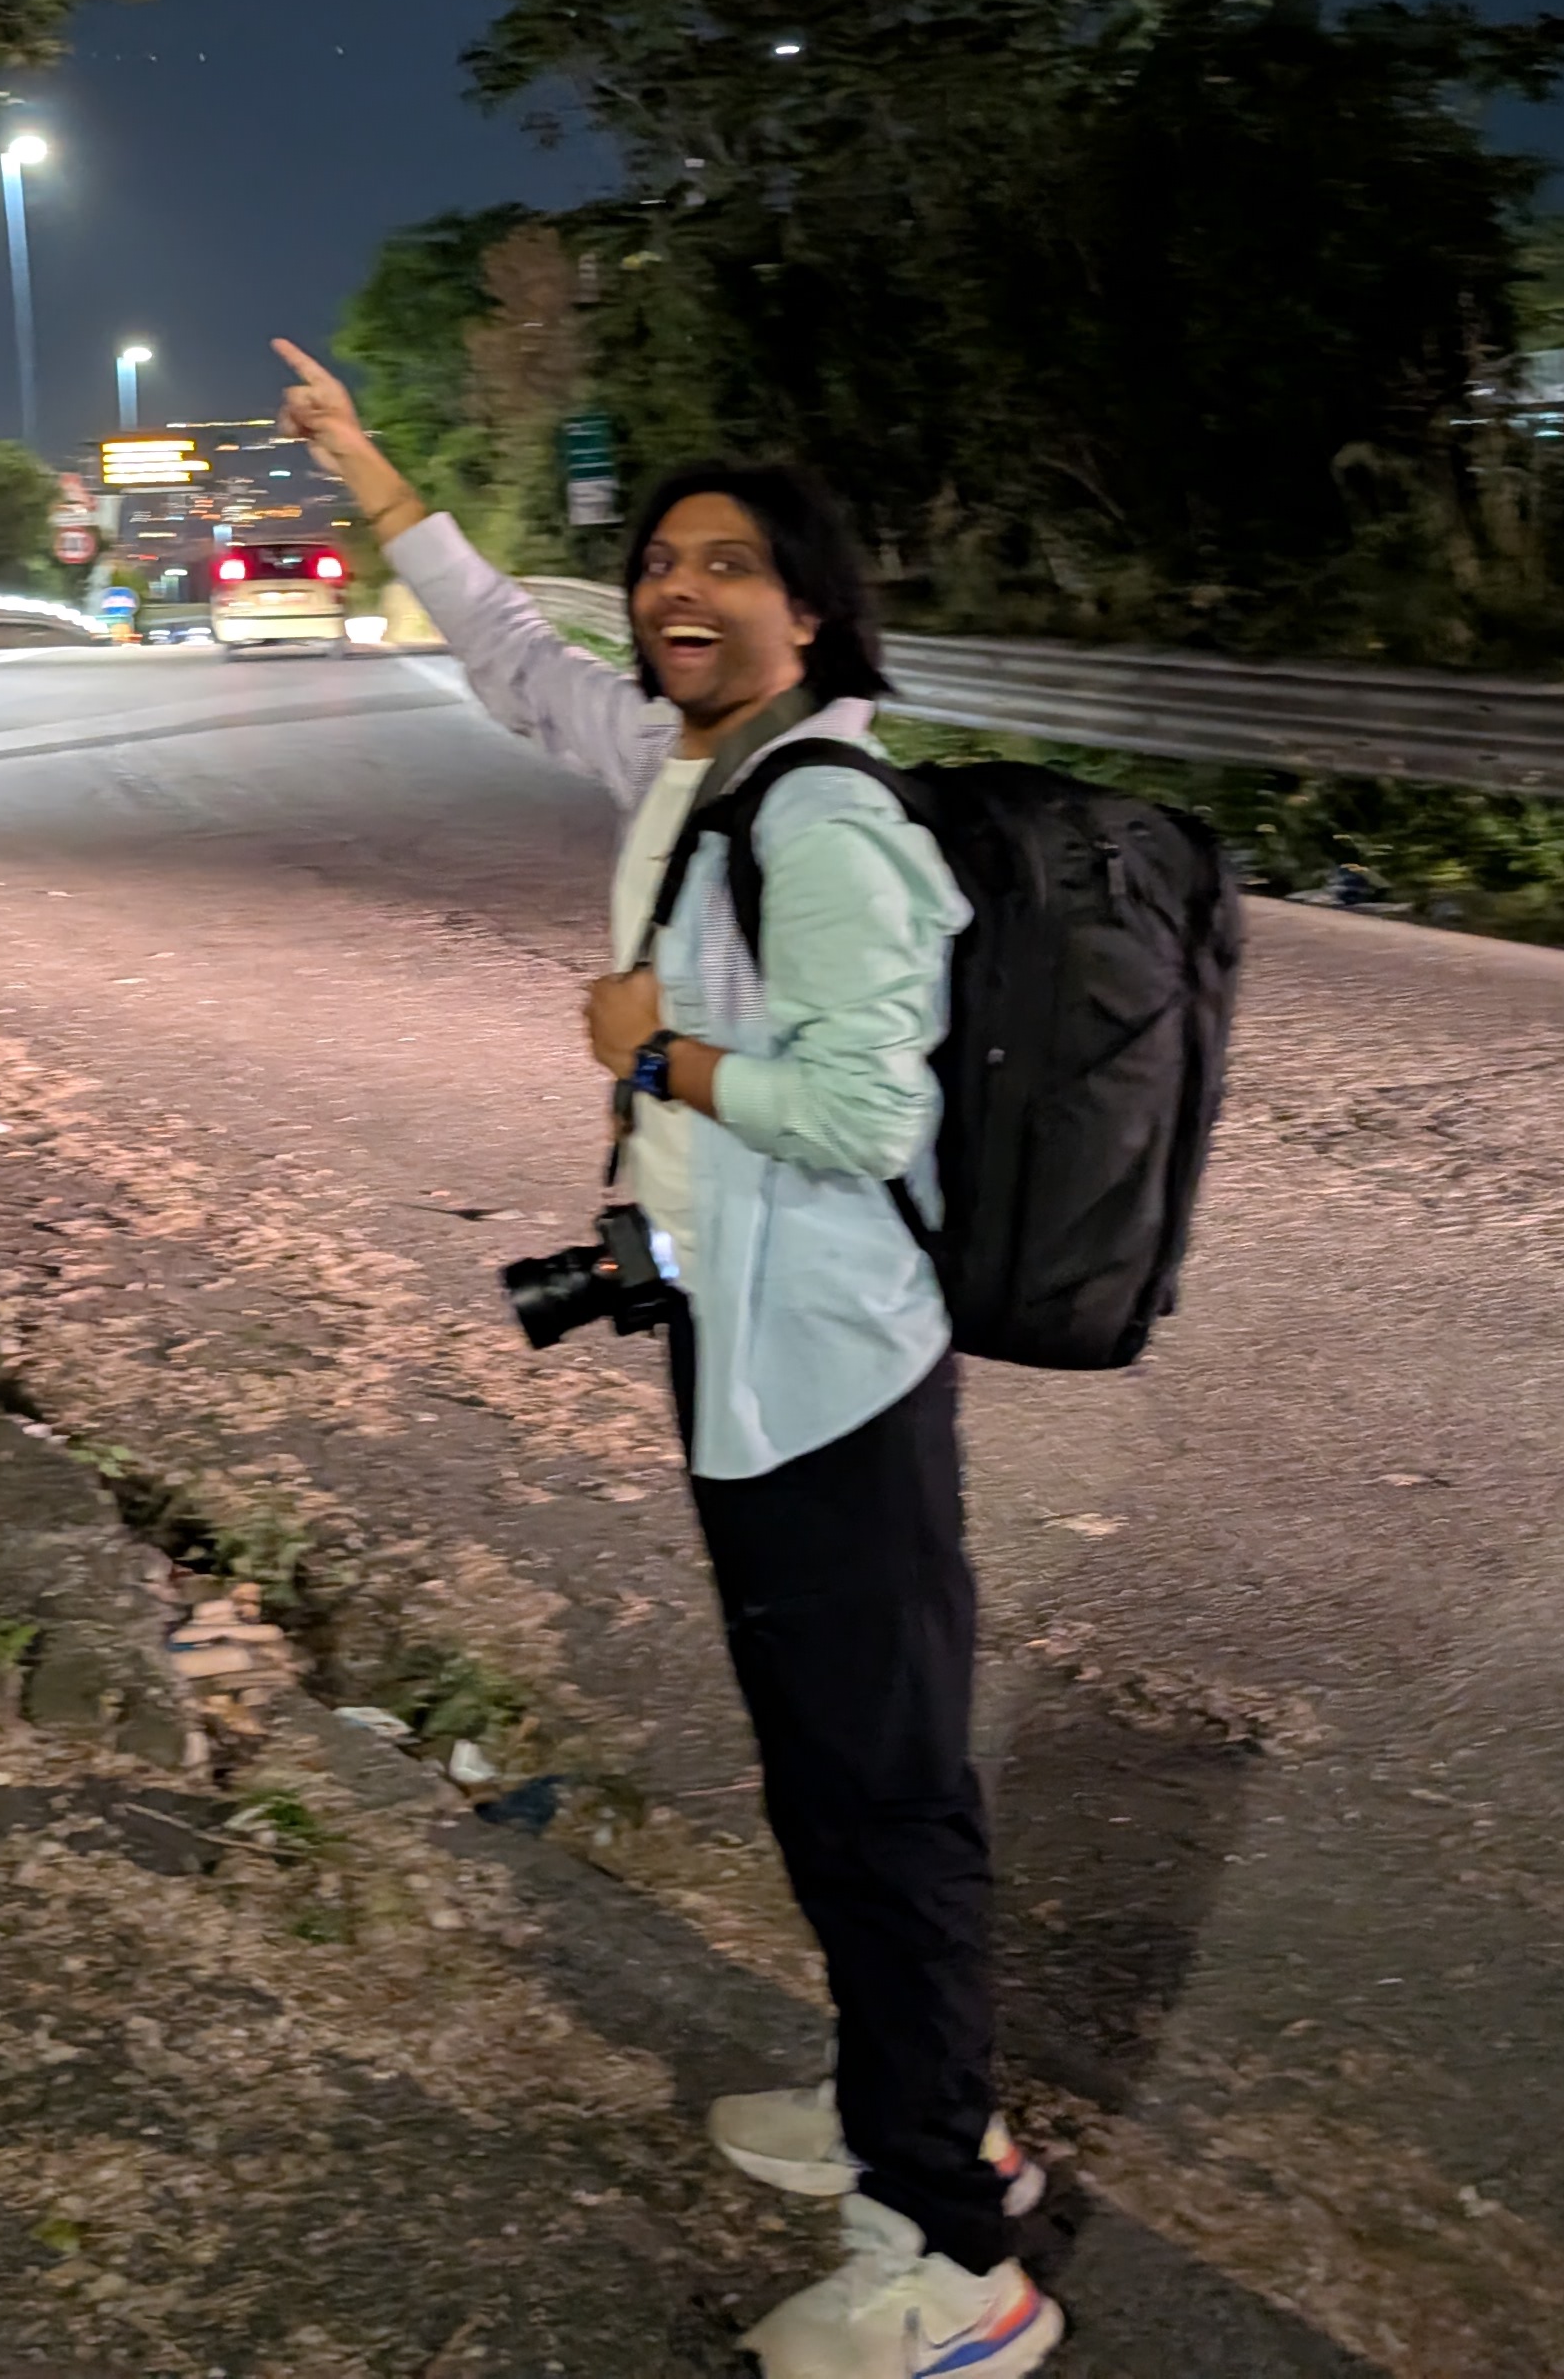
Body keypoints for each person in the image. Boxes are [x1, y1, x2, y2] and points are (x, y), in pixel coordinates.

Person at [272, 337, 1062, 2379]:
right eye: (656, 564)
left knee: (882, 1797)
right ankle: (907, 2098)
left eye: (727, 564)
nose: (675, 592)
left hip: (835, 1378)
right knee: (824, 1774)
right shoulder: (697, 769)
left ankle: (952, 2253)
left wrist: (664, 1056)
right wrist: (372, 473)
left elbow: (864, 1113)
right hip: (747, 1350)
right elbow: (516, 667)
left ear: (811, 611)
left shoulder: (826, 816)